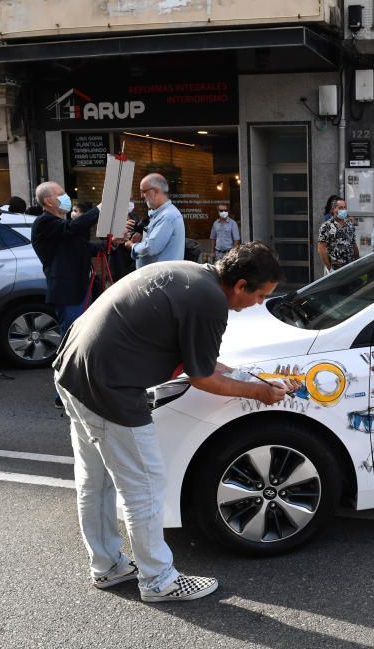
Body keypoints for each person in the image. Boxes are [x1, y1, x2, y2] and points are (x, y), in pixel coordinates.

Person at [53, 242, 296, 602]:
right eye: (260, 296)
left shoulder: (192, 275)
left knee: (97, 480)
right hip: (108, 387)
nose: (259, 304)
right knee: (146, 486)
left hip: (73, 369)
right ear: (241, 285)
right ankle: (159, 581)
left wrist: (248, 377)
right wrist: (259, 393)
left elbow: (200, 361)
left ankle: (107, 567)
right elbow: (202, 378)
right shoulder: (210, 302)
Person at [31, 182, 101, 339]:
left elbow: (85, 248)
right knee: (73, 336)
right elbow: (73, 228)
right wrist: (99, 210)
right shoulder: (44, 222)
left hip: (80, 289)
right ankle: (68, 364)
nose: (66, 198)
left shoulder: (61, 224)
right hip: (68, 292)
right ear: (48, 201)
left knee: (83, 335)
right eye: (61, 194)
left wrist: (114, 244)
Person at [121, 173, 185, 269]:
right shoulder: (160, 214)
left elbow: (151, 248)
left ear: (155, 191)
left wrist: (132, 246)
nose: (142, 196)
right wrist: (141, 239)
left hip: (163, 279)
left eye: (144, 191)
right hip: (156, 278)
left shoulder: (168, 216)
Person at [318, 198, 359, 273]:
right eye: (340, 208)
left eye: (344, 207)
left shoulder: (349, 225)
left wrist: (357, 262)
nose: (343, 210)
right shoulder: (326, 226)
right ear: (333, 209)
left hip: (349, 267)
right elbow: (321, 248)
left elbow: (354, 244)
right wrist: (329, 268)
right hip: (334, 269)